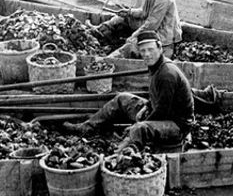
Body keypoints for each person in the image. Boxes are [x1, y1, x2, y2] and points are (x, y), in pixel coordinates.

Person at [63, 30, 194, 152]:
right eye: (143, 51)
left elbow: (162, 111)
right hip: (162, 114)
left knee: (139, 129)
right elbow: (157, 98)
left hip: (177, 125)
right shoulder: (156, 66)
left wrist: (142, 121)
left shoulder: (167, 74)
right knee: (123, 98)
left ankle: (117, 153)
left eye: (150, 50)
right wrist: (146, 107)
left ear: (160, 48)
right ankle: (86, 128)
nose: (147, 54)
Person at [89, 0, 182, 59]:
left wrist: (135, 35)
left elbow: (151, 25)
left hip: (163, 35)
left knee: (131, 45)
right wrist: (129, 12)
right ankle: (98, 31)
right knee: (122, 18)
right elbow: (144, 12)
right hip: (153, 26)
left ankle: (108, 59)